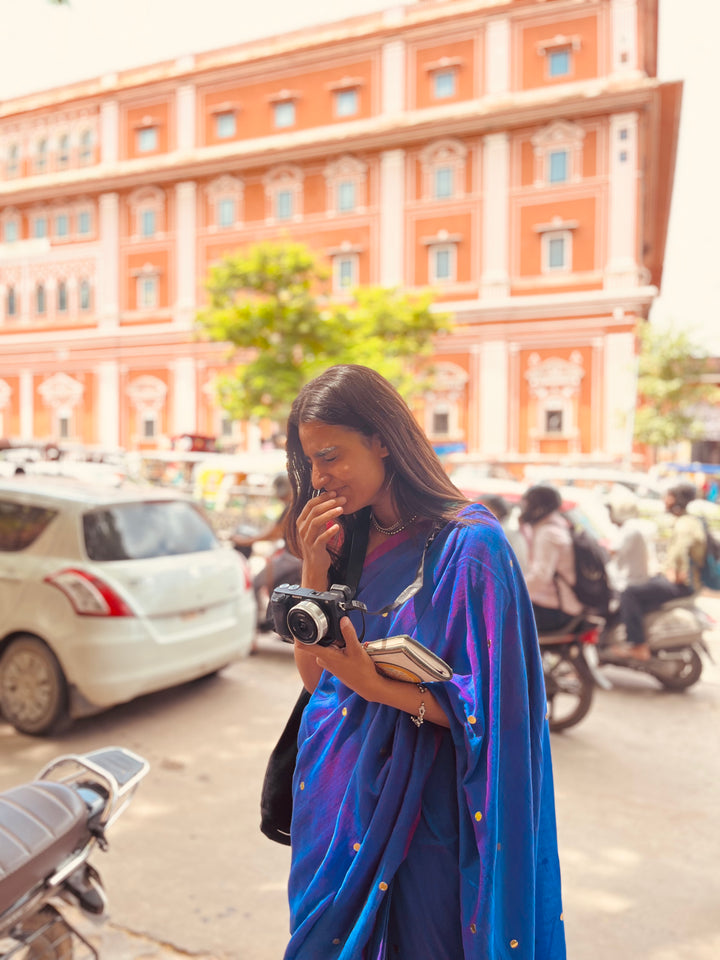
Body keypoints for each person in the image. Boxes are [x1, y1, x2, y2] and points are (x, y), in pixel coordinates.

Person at [280, 365, 565, 959]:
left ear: (382, 440)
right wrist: (313, 571)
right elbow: (316, 682)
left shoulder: (471, 546)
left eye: (331, 456)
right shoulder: (345, 539)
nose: (319, 477)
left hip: (426, 813)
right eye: (310, 462)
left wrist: (376, 686)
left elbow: (495, 714)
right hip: (337, 801)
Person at [609, 481, 707, 661]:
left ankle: (638, 645)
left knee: (629, 593)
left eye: (668, 496)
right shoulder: (688, 521)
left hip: (682, 584)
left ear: (677, 499)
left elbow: (682, 552)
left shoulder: (685, 524)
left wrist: (675, 574)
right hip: (684, 582)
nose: (664, 500)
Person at [232, 473, 302, 643]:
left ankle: (254, 626)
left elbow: (274, 533)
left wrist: (246, 541)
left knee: (255, 584)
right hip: (295, 557)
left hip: (293, 558)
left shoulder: (293, 505)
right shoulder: (296, 503)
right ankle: (274, 623)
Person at [518, 484, 582, 633]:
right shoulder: (558, 526)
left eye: (526, 504)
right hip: (561, 604)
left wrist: (510, 592)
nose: (523, 509)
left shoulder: (547, 534)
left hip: (557, 610)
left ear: (538, 507)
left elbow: (540, 577)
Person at [605, 486, 655, 593]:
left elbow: (610, 552)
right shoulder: (633, 526)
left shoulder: (629, 529)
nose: (609, 515)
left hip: (627, 584)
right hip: (632, 581)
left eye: (611, 510)